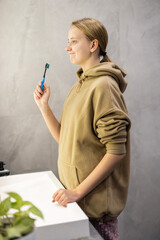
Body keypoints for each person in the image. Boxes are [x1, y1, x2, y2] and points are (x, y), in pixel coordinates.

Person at [33, 17, 131, 240]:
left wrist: (77, 191)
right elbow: (64, 139)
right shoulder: (81, 86)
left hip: (94, 212)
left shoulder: (104, 86)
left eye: (74, 41)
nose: (67, 47)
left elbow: (117, 151)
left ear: (93, 45)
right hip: (77, 205)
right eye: (68, 41)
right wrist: (43, 106)